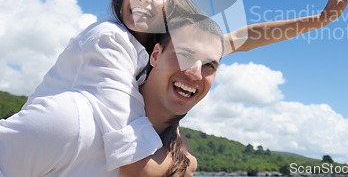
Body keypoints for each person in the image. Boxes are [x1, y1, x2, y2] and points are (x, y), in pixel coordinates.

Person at [0, 0, 348, 176]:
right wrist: (183, 158)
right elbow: (136, 164)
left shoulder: (166, 48)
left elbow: (242, 37)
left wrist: (317, 21)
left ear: (169, 10)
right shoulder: (109, 40)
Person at [0, 13, 224, 177]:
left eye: (209, 65)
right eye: (184, 54)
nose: (195, 73)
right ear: (155, 55)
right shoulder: (72, 123)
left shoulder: (174, 153)